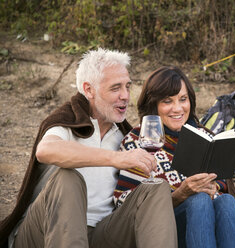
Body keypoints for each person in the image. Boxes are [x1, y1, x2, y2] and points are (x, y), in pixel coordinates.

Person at [0, 49, 177, 248]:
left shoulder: (125, 136)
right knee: (67, 178)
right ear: (89, 90)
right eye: (115, 88)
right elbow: (46, 150)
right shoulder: (68, 121)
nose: (126, 96)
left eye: (128, 86)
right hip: (43, 232)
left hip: (101, 234)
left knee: (156, 189)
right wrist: (115, 158)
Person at [114, 66, 235, 248]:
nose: (178, 108)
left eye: (183, 99)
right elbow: (123, 203)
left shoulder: (203, 136)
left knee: (227, 201)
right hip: (160, 232)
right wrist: (180, 194)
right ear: (154, 104)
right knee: (198, 201)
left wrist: (212, 184)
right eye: (167, 101)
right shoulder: (137, 141)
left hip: (207, 224)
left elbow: (222, 182)